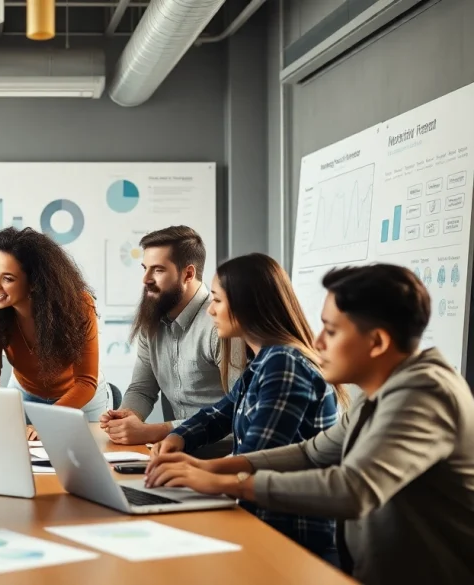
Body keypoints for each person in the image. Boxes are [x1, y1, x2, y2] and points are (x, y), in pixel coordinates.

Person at [145, 264, 474, 585]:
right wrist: (211, 469)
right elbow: (311, 453)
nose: (316, 343)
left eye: (331, 331)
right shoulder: (385, 390)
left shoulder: (423, 394)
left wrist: (228, 482)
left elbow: (353, 489)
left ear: (377, 343)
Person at [147, 253, 349, 564]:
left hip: (292, 539)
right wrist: (179, 438)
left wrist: (196, 472)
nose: (211, 311)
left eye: (216, 301)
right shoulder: (265, 361)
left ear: (246, 306)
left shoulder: (284, 364)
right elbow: (218, 414)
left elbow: (257, 456)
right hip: (261, 523)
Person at [100, 225, 244, 451]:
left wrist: (157, 430)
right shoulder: (153, 320)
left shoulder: (221, 324)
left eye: (157, 270)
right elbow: (141, 389)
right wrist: (127, 416)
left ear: (188, 274)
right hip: (174, 453)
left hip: (219, 457)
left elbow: (242, 413)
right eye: (144, 268)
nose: (145, 279)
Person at [0, 227, 111, 437]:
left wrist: (46, 421)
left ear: (34, 284)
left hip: (81, 399)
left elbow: (85, 382)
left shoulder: (79, 306)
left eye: (8, 278)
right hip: (25, 394)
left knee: (84, 466)